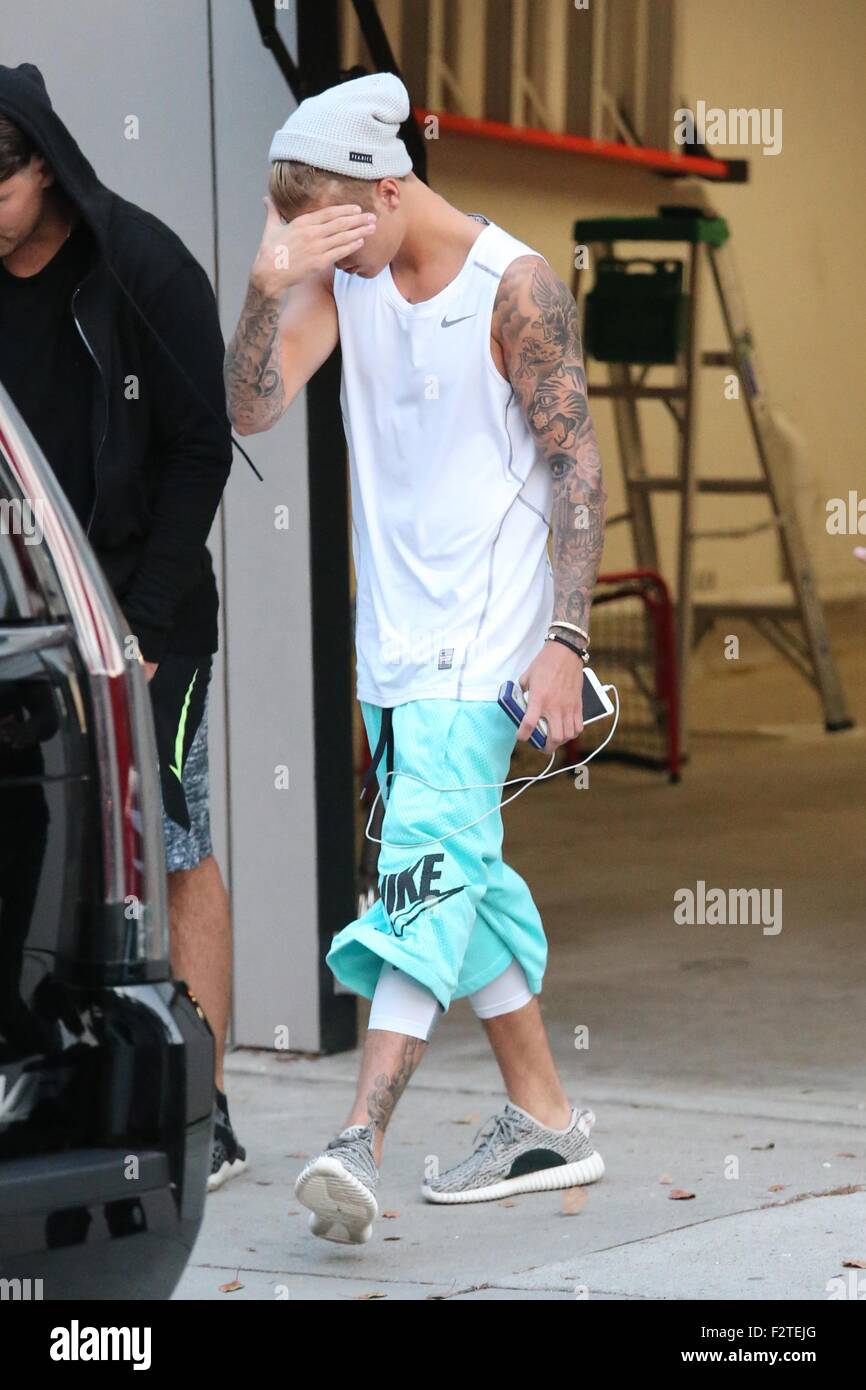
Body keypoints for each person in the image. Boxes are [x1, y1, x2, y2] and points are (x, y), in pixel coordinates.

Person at [226, 72, 607, 1243]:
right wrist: (263, 284)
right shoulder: (345, 281)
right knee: (466, 881)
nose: (326, 251)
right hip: (389, 649)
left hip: (485, 652)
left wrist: (564, 641)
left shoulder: (516, 285)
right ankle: (543, 1117)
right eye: (308, 234)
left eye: (337, 223)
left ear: (388, 187)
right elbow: (251, 407)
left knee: (417, 880)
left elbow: (577, 468)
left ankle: (356, 1140)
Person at [0, 63, 244, 1190]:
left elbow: (201, 453)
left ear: (39, 167)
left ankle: (209, 1108)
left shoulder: (141, 268)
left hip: (148, 614)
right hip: (25, 618)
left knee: (172, 842)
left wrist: (139, 623)